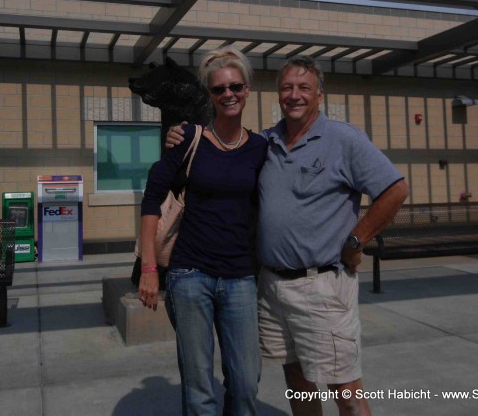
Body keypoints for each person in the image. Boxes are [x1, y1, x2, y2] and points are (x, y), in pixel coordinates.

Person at [167, 56, 408, 416]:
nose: (294, 95)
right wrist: (184, 133)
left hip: (322, 286)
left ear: (320, 95)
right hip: (272, 287)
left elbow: (395, 190)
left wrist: (357, 240)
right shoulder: (266, 143)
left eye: (304, 88)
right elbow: (223, 151)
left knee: (344, 388)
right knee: (297, 379)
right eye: (286, 88)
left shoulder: (343, 139)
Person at [138, 46, 267, 416]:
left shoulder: (260, 147)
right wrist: (149, 268)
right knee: (199, 389)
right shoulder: (189, 138)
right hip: (190, 274)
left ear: (247, 90)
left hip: (241, 277)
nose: (228, 95)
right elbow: (151, 198)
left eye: (235, 87)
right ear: (209, 95)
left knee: (245, 384)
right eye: (219, 89)